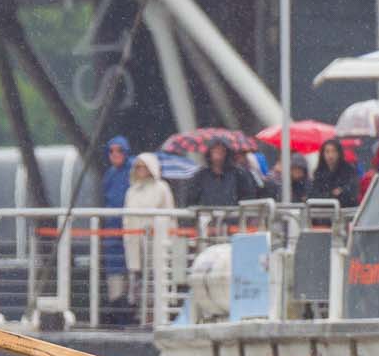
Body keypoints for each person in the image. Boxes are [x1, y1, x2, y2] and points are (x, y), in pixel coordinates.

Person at [122, 152, 173, 315]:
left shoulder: (161, 188)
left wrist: (169, 237)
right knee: (137, 277)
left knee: (156, 276)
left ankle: (156, 313)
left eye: (144, 167)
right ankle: (139, 312)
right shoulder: (132, 190)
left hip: (156, 240)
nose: (141, 170)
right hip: (134, 240)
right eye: (138, 167)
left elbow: (169, 213)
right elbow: (127, 216)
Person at [181, 139, 261, 207]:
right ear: (209, 153)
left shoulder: (239, 174)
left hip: (233, 218)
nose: (218, 154)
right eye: (215, 151)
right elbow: (191, 199)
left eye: (221, 151)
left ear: (227, 153)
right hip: (207, 219)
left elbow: (248, 196)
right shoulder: (200, 176)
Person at [99, 135, 131, 302]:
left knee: (133, 269)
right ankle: (117, 306)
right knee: (115, 272)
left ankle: (133, 309)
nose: (115, 154)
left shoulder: (133, 170)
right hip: (112, 232)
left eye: (119, 150)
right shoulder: (109, 175)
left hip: (130, 228)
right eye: (111, 151)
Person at [308, 135, 361, 207]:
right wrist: (331, 194)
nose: (330, 155)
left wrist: (338, 193)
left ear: (339, 153)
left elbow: (350, 193)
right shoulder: (318, 173)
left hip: (344, 212)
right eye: (327, 152)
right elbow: (313, 195)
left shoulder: (348, 171)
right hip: (322, 214)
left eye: (334, 151)